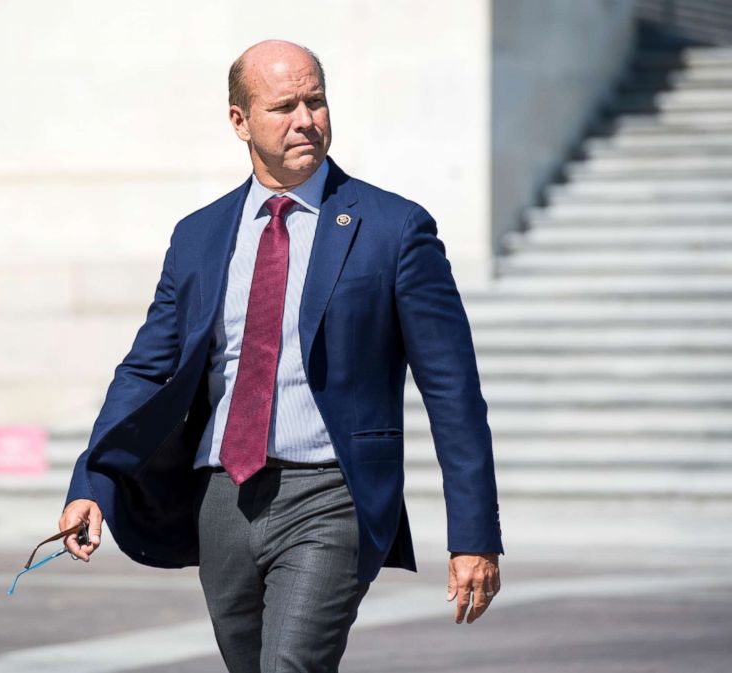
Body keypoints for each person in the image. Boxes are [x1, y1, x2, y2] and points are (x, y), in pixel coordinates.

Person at [60, 39, 503, 673]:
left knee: (292, 666)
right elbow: (146, 370)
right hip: (220, 498)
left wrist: (474, 535)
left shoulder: (394, 229)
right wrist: (93, 480)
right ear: (240, 121)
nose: (306, 120)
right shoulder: (199, 236)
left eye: (316, 101)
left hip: (331, 493)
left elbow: (453, 391)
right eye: (284, 106)